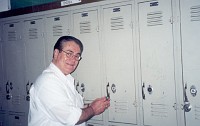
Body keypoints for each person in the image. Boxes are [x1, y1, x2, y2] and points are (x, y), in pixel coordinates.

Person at [28, 36, 110, 126]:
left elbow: (71, 107)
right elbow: (71, 118)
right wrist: (93, 109)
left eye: (77, 56)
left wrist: (91, 105)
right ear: (56, 53)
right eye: (69, 53)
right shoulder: (47, 82)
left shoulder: (65, 79)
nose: (73, 59)